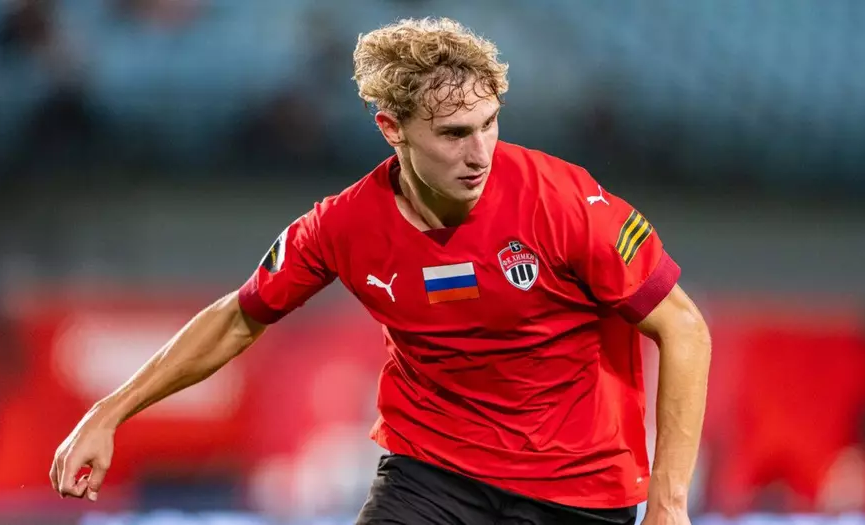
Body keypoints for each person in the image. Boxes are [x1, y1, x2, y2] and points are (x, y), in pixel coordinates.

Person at [50, 17, 711, 525]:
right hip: (434, 473)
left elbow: (684, 329)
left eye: (489, 124)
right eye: (454, 133)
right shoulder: (343, 226)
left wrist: (669, 502)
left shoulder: (566, 202)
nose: (481, 152)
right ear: (392, 128)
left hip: (577, 489)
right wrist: (109, 412)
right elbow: (237, 318)